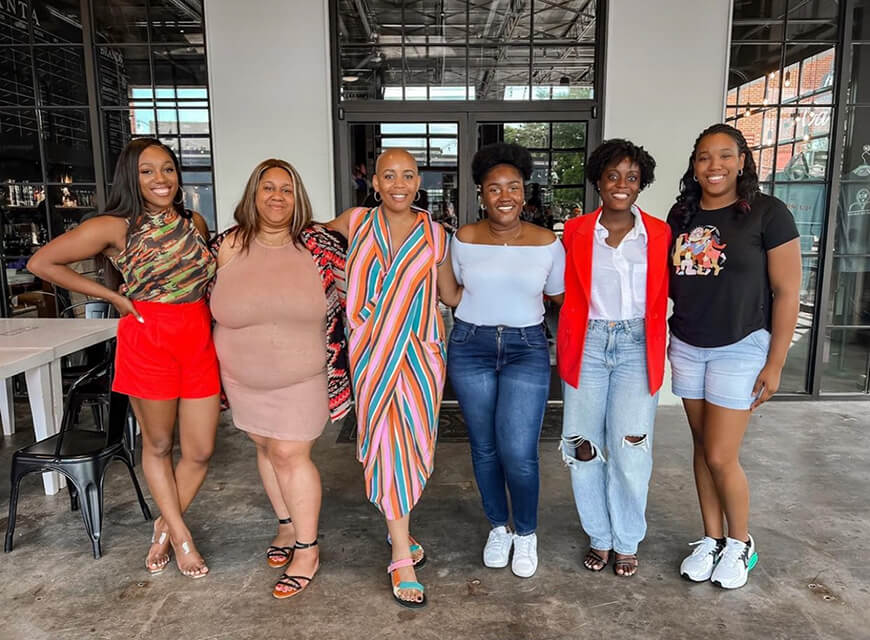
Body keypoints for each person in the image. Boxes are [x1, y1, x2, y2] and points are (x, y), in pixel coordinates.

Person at [27, 138, 220, 579]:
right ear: (130, 176)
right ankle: (180, 537)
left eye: (168, 169)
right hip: (148, 338)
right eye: (148, 170)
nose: (160, 179)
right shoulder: (115, 227)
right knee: (156, 446)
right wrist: (112, 295)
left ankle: (163, 525)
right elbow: (43, 262)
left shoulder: (196, 222)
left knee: (201, 449)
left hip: (198, 339)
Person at [209, 159, 350, 599]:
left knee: (290, 451)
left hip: (303, 375)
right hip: (241, 376)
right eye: (267, 188)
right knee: (266, 445)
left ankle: (307, 549)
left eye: (286, 189)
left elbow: (361, 291)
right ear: (253, 194)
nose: (276, 196)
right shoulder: (226, 246)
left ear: (298, 198)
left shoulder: (320, 245)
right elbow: (191, 297)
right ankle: (286, 525)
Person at [668, 123, 801, 589]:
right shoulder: (681, 213)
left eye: (725, 155)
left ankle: (741, 544)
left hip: (741, 346)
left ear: (742, 159)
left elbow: (787, 293)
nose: (714, 166)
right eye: (704, 157)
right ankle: (711, 538)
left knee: (723, 455)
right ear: (694, 164)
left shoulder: (768, 213)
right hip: (686, 343)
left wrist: (776, 362)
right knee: (702, 450)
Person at [328, 148, 462, 609]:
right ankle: (401, 553)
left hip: (420, 357)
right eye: (390, 176)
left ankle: (398, 526)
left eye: (408, 175)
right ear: (376, 183)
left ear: (419, 181)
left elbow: (449, 295)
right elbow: (304, 241)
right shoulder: (354, 222)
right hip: (371, 356)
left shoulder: (436, 234)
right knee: (386, 443)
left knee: (413, 445)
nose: (399, 183)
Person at [447, 142, 565, 578]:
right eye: (494, 188)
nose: (505, 196)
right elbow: (451, 292)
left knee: (518, 451)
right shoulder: (463, 239)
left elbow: (558, 295)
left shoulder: (547, 242)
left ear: (524, 191)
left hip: (527, 349)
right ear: (481, 193)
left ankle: (526, 532)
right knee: (484, 448)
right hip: (471, 345)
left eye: (512, 186)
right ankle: (499, 527)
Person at [557, 139, 670, 578]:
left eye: (632, 177)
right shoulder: (576, 231)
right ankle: (598, 537)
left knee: (630, 448)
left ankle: (625, 538)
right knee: (583, 445)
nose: (621, 185)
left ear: (641, 185)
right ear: (598, 181)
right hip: (587, 343)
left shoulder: (660, 233)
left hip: (636, 345)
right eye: (613, 176)